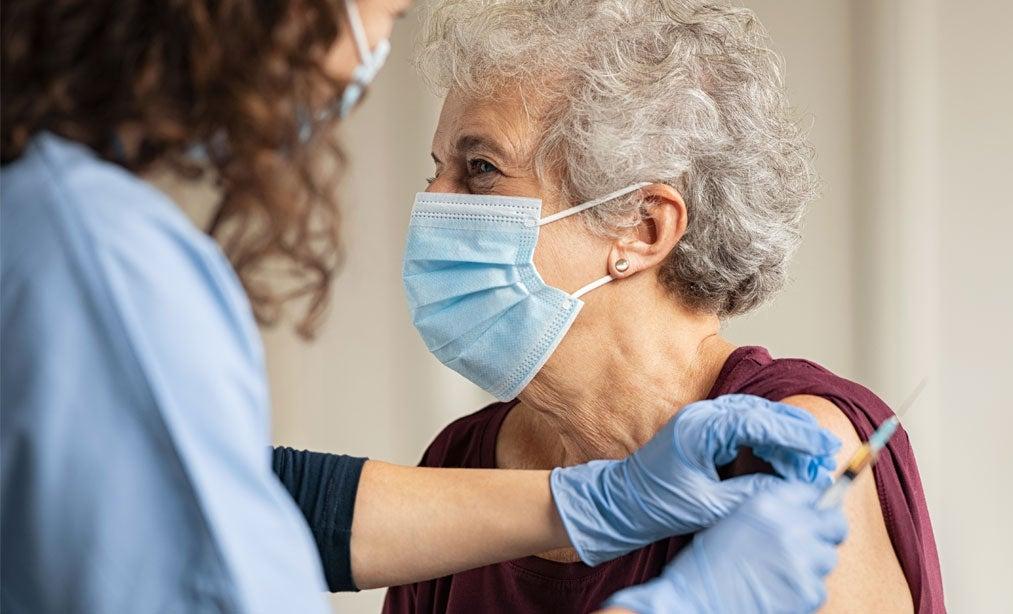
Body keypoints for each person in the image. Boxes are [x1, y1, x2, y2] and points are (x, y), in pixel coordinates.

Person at [0, 0, 849, 612]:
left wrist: (595, 502)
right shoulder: (96, 261)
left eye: (479, 171)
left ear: (644, 226)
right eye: (381, 14)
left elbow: (244, 492)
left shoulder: (793, 438)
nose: (366, 52)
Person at [382, 0, 947, 613]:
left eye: (481, 169)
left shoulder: (788, 451)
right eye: (437, 169)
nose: (432, 201)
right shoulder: (459, 462)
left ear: (643, 228)